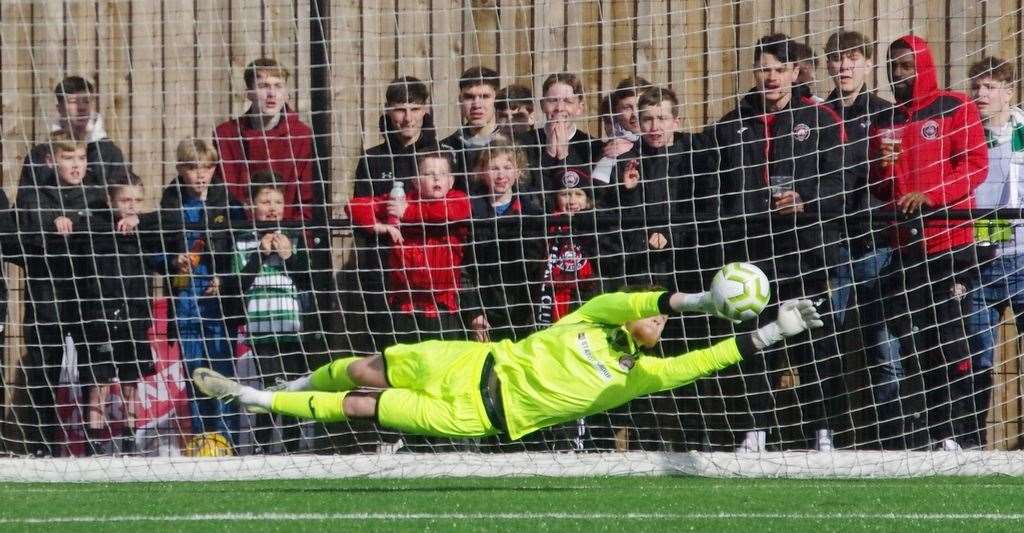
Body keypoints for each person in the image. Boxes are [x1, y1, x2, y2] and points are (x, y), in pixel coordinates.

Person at [193, 290, 824, 443]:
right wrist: (708, 302)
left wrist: (771, 331)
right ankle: (282, 388)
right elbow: (643, 299)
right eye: (657, 317)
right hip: (467, 361)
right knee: (362, 371)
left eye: (664, 330)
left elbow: (709, 360)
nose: (660, 324)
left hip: (476, 413)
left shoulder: (637, 377)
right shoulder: (592, 317)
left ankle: (251, 398)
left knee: (365, 408)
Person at [708, 33, 847, 452]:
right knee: (756, 343)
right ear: (755, 72)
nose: (771, 77)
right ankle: (755, 430)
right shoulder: (730, 125)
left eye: (780, 69)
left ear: (795, 72)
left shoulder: (822, 120)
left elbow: (843, 182)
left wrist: (805, 198)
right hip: (752, 257)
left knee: (814, 344)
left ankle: (823, 431)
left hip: (807, 252)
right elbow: (716, 191)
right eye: (764, 68)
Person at [869, 35, 988, 450]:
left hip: (951, 245)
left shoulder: (956, 106)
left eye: (905, 65)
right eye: (892, 65)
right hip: (906, 249)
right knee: (910, 341)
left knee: (952, 339)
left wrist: (931, 197)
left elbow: (975, 166)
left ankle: (957, 433)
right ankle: (921, 434)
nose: (898, 73)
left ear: (923, 65)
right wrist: (884, 169)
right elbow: (883, 188)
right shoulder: (886, 121)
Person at [822, 30, 902, 448]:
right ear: (828, 66)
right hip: (832, 245)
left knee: (884, 347)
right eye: (837, 59)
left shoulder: (889, 115)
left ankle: (889, 441)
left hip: (879, 246)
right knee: (830, 344)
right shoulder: (816, 117)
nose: (845, 66)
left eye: (853, 58)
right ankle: (827, 435)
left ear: (868, 64)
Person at [14, 131, 110, 456]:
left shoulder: (96, 195)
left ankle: (94, 443)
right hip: (47, 298)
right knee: (45, 369)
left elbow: (103, 230)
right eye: (69, 158)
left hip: (87, 296)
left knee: (94, 371)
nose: (76, 165)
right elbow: (21, 239)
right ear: (53, 160)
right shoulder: (35, 196)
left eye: (81, 158)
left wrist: (79, 223)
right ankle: (42, 446)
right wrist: (49, 225)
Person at [346, 151, 484, 346]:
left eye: (443, 173)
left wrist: (408, 212)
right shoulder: (400, 199)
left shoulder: (457, 200)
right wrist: (379, 226)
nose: (436, 177)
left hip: (442, 307)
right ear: (416, 181)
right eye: (428, 173)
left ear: (451, 181)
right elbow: (354, 207)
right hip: (404, 306)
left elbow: (445, 213)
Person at [220, 171, 314, 453]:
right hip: (261, 330)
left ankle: (292, 446)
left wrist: (289, 257)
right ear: (251, 205)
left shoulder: (295, 238)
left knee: (294, 388)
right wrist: (259, 255)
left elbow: (309, 279)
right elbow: (238, 284)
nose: (272, 207)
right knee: (271, 389)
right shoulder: (243, 241)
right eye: (265, 201)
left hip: (293, 330)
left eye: (277, 201)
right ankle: (261, 446)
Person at [160, 138, 241, 446]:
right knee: (195, 374)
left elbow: (242, 250)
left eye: (206, 167)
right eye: (193, 168)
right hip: (185, 300)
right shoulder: (170, 205)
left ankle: (229, 441)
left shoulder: (228, 203)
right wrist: (171, 260)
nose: (200, 174)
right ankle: (202, 440)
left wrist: (226, 278)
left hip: (218, 301)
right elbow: (153, 249)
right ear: (181, 170)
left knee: (222, 373)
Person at [964, 56, 1024, 449]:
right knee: (976, 359)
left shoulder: (1021, 133)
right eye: (977, 87)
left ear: (1009, 91)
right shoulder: (965, 135)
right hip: (979, 260)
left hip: (1023, 257)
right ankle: (970, 444)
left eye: (989, 87)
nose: (981, 94)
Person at [80, 171, 160, 448]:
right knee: (99, 379)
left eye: (137, 200)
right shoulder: (95, 228)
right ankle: (93, 438)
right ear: (109, 200)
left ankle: (129, 436)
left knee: (131, 378)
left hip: (135, 313)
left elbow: (174, 222)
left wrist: (143, 220)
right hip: (101, 314)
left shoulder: (147, 228)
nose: (131, 205)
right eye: (125, 199)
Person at [213, 57, 318, 223]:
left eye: (278, 86)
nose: (272, 94)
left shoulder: (302, 136)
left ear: (286, 93)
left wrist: (293, 239)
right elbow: (221, 197)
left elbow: (308, 201)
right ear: (249, 93)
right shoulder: (226, 135)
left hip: (289, 236)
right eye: (263, 86)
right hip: (239, 235)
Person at [470, 143, 545, 342]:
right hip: (485, 310)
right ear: (482, 172)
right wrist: (474, 311)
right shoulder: (470, 212)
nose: (501, 174)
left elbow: (534, 266)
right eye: (494, 168)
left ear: (518, 171)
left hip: (523, 312)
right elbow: (464, 269)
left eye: (507, 167)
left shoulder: (531, 213)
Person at [19, 76, 125, 190]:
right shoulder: (39, 154)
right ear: (59, 108)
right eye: (73, 102)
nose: (82, 107)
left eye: (86, 101)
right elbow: (26, 200)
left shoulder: (110, 154)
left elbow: (119, 197)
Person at [440, 66, 507, 191]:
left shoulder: (513, 145)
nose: (477, 104)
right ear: (460, 100)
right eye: (469, 97)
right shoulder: (445, 148)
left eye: (484, 96)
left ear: (496, 100)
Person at [592, 76, 652, 185]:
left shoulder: (670, 140)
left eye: (640, 107)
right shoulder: (609, 151)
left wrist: (633, 147)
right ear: (616, 113)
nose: (635, 114)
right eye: (627, 108)